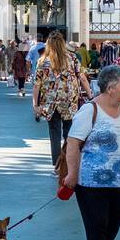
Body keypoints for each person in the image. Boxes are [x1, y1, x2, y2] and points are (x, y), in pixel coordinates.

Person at [61, 65, 120, 240]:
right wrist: (72, 174)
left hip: (119, 180)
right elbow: (73, 145)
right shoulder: (89, 110)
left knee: (115, 221)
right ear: (111, 87)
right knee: (97, 225)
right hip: (91, 181)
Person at [32, 31, 91, 167]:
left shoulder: (42, 61)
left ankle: (57, 166)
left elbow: (36, 85)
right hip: (69, 102)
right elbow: (82, 78)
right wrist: (90, 95)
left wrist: (35, 105)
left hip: (50, 103)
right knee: (70, 135)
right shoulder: (72, 58)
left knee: (54, 136)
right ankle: (69, 166)